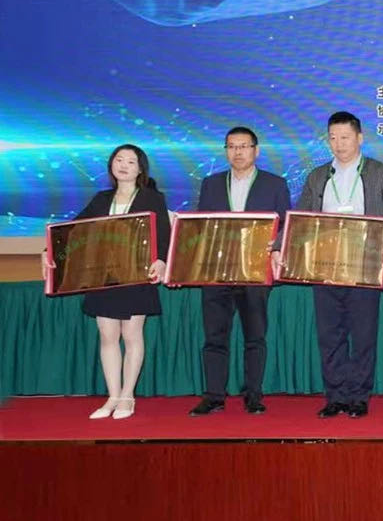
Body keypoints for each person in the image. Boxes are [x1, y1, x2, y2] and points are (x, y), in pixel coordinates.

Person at [42, 144, 170, 420]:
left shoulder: (152, 198)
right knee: (107, 336)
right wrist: (48, 251)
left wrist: (161, 260)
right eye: (119, 160)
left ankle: (127, 396)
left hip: (138, 276)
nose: (123, 165)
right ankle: (112, 396)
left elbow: (164, 235)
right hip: (103, 277)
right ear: (111, 165)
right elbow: (72, 232)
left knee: (132, 335)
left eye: (131, 161)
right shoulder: (101, 199)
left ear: (140, 169)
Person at [296, 111, 383, 419]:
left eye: (345, 137)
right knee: (330, 334)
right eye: (333, 138)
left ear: (359, 138)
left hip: (365, 263)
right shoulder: (317, 176)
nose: (339, 144)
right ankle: (335, 396)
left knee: (363, 333)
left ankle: (358, 396)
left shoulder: (380, 171)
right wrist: (279, 246)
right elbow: (300, 216)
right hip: (325, 264)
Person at [189, 127, 292, 417]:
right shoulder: (211, 184)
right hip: (216, 272)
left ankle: (253, 396)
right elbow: (201, 227)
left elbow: (286, 224)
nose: (238, 152)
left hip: (255, 272)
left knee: (255, 337)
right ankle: (213, 396)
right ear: (226, 151)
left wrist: (276, 244)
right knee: (214, 337)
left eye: (244, 146)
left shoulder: (275, 184)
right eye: (232, 146)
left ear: (256, 151)